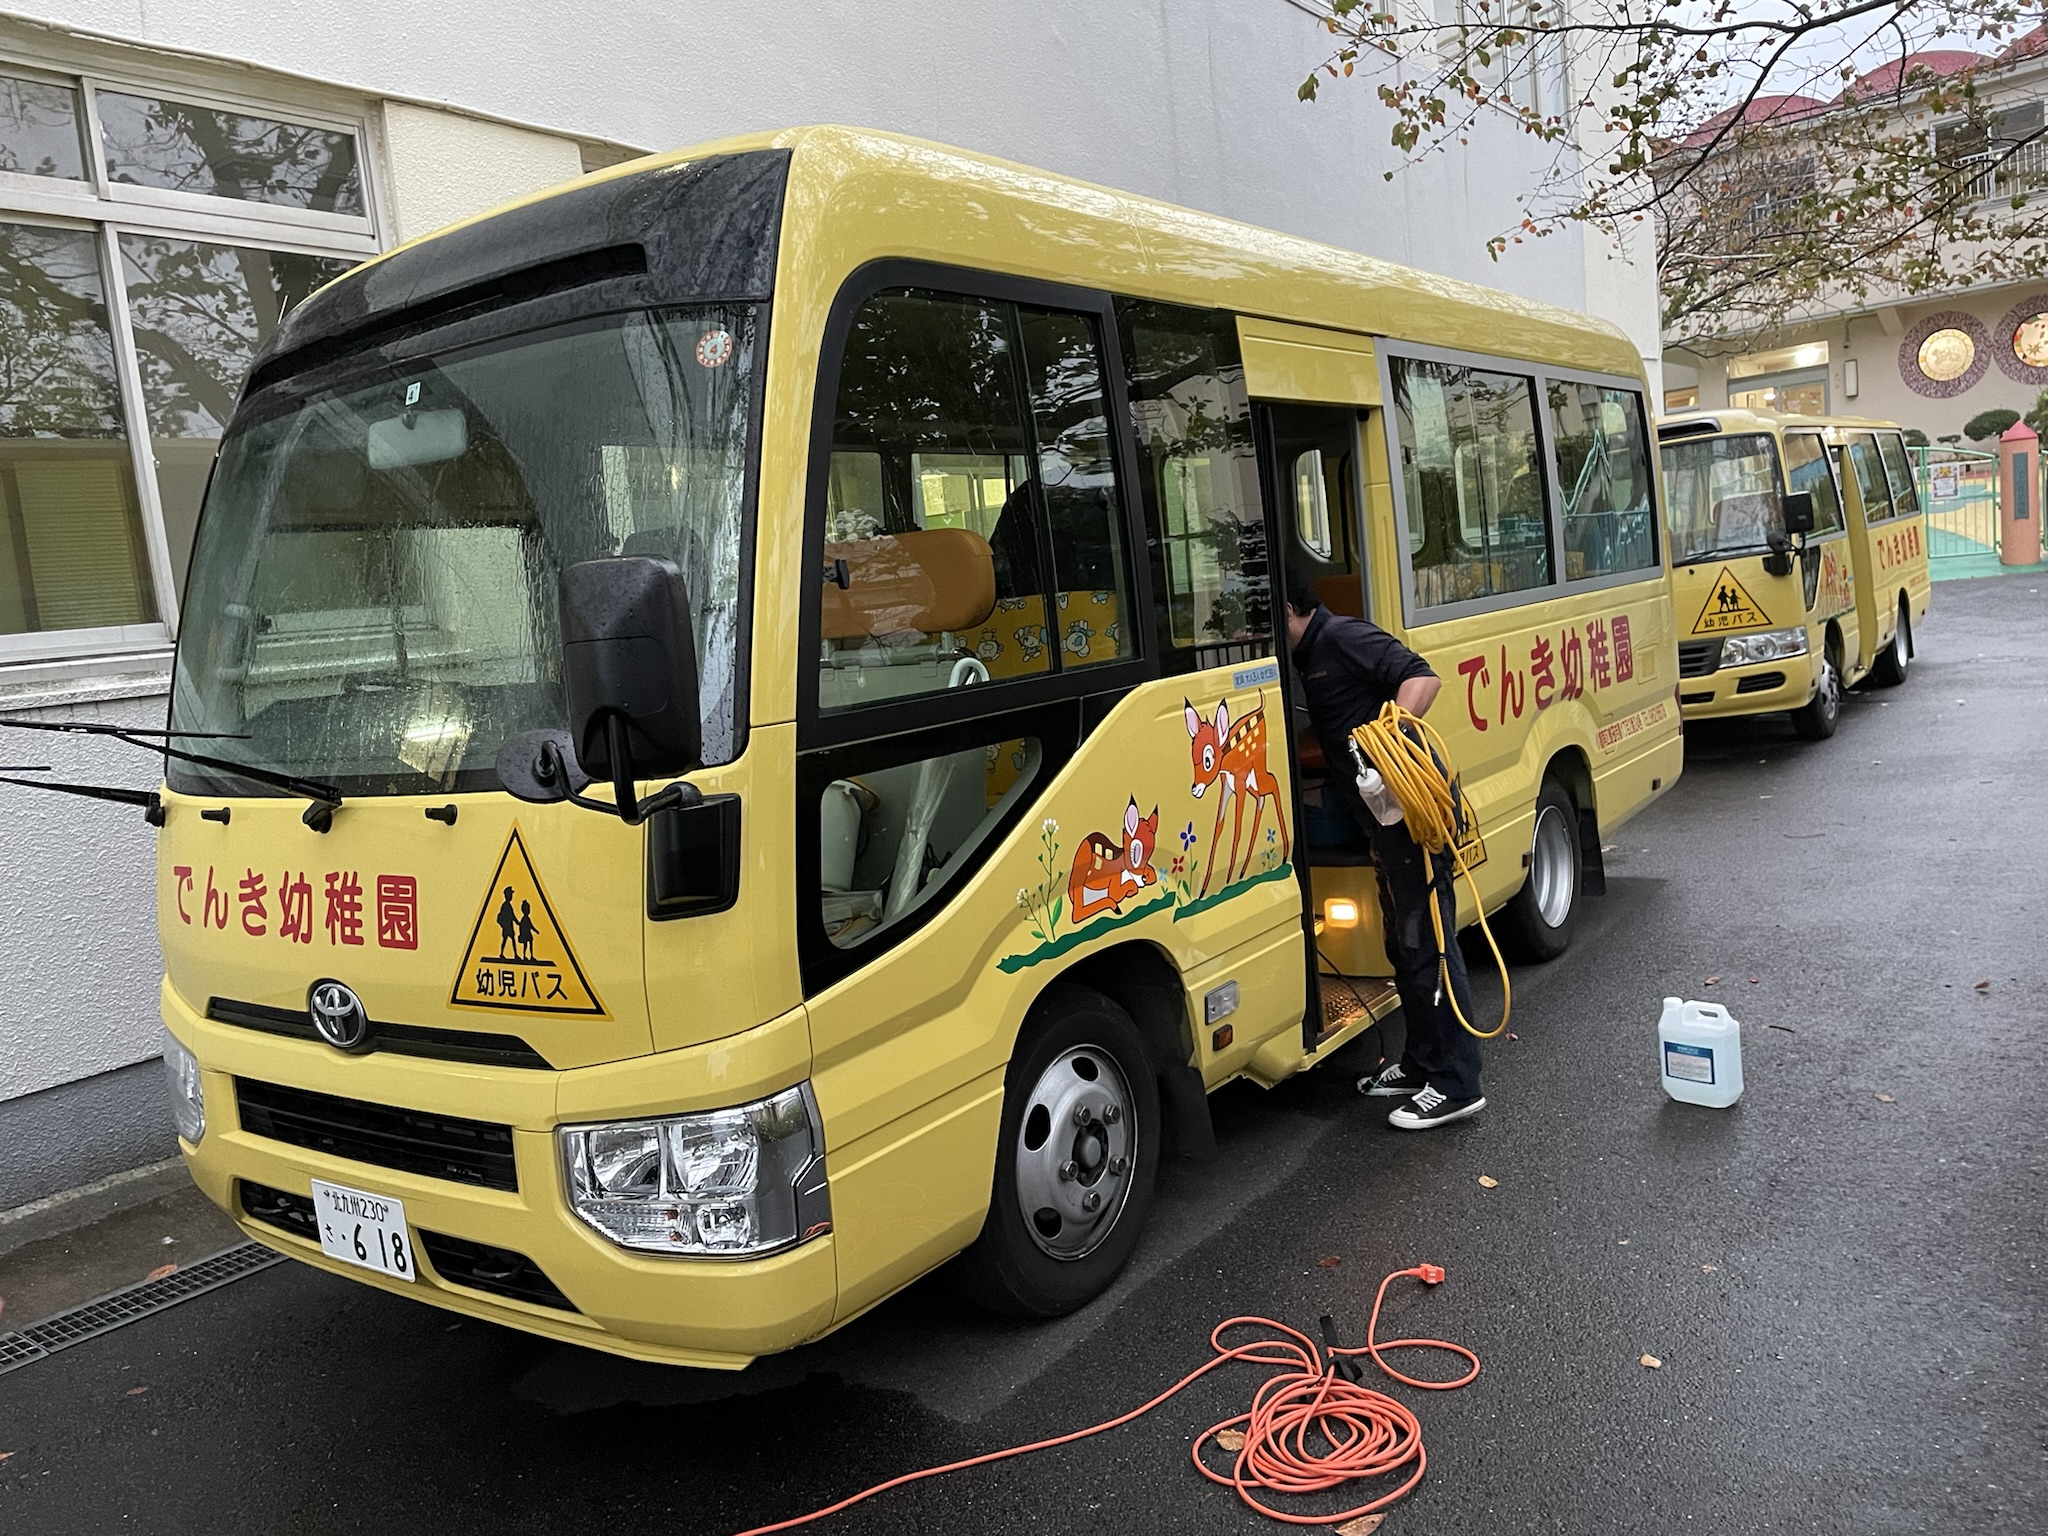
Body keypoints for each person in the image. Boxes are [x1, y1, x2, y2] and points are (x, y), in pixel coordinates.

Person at [1284, 576, 1485, 1130]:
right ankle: (1422, 1064)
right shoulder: (1307, 659)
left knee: (1430, 946)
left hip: (1411, 818)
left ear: (1288, 607)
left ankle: (1458, 1082)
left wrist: (1387, 739)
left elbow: (1422, 676)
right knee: (1402, 946)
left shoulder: (1342, 637)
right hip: (1382, 824)